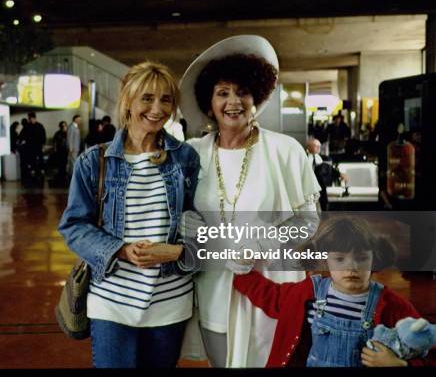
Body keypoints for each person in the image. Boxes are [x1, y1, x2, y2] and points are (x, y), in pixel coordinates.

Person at [178, 35, 322, 367]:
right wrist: (184, 223)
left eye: (242, 92)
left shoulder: (285, 150)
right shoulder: (192, 153)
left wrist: (261, 244)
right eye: (223, 93)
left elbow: (309, 221)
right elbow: (177, 211)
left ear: (256, 96)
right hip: (213, 289)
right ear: (209, 102)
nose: (233, 102)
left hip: (271, 288)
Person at [58, 61, 201, 368]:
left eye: (166, 99)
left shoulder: (185, 158)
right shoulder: (94, 161)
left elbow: (198, 223)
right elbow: (73, 225)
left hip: (170, 303)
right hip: (111, 301)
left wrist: (177, 251)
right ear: (128, 101)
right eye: (147, 98)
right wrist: (120, 250)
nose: (157, 108)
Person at [231, 216, 434, 367]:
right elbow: (270, 296)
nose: (351, 267)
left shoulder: (392, 306)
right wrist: (240, 268)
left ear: (375, 258)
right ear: (324, 260)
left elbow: (429, 350)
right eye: (339, 259)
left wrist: (399, 365)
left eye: (361, 258)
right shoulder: (306, 292)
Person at [307, 138, 347, 211]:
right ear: (309, 147)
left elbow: (329, 169)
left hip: (320, 182)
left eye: (319, 146)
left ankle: (324, 211)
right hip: (308, 182)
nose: (319, 148)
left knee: (322, 194)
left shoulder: (323, 158)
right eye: (316, 146)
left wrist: (339, 174)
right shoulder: (304, 157)